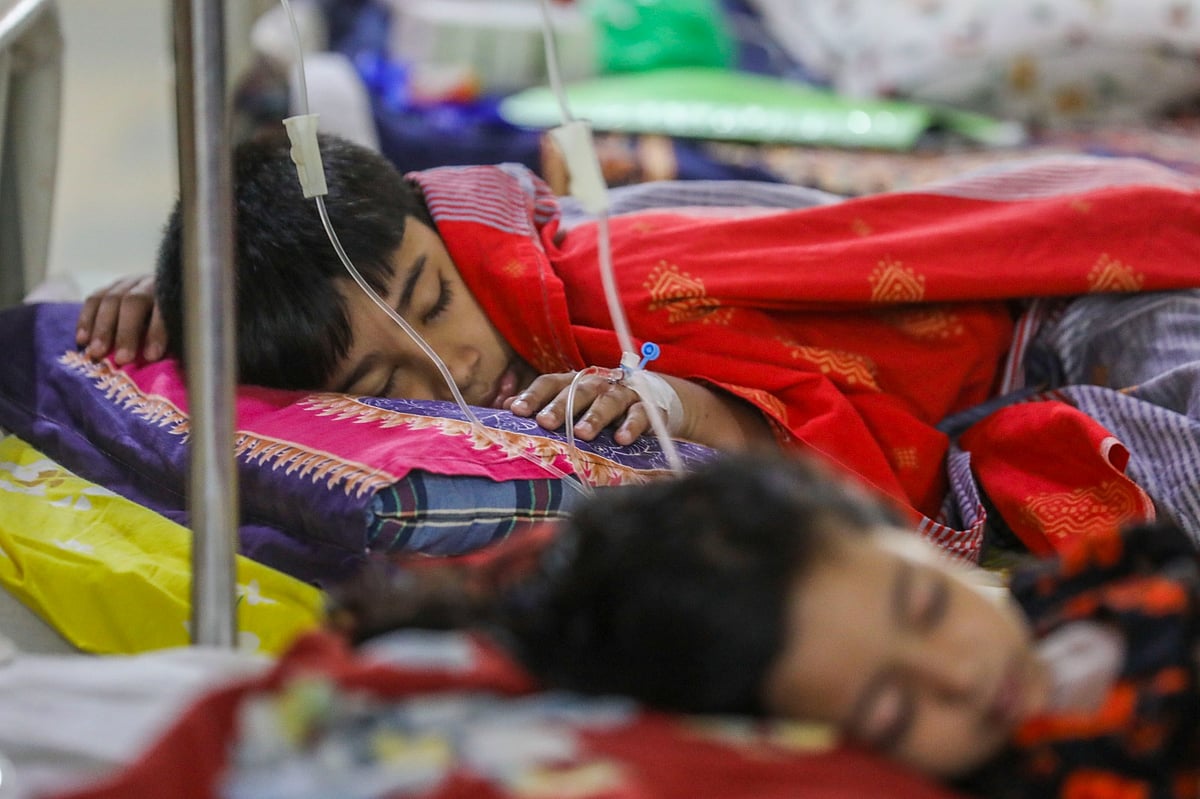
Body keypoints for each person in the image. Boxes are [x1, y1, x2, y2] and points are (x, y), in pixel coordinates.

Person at [74, 129, 1200, 557]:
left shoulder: (612, 276)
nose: (448, 369)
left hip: (1064, 300)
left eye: (434, 294)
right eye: (382, 383)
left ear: (431, 216)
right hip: (1005, 371)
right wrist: (175, 310)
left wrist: (680, 403)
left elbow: (711, 372)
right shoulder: (468, 324)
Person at [325, 452, 1200, 798]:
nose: (964, 677)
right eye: (893, 714)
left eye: (929, 603)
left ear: (895, 530)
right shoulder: (1074, 770)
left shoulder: (1083, 586)